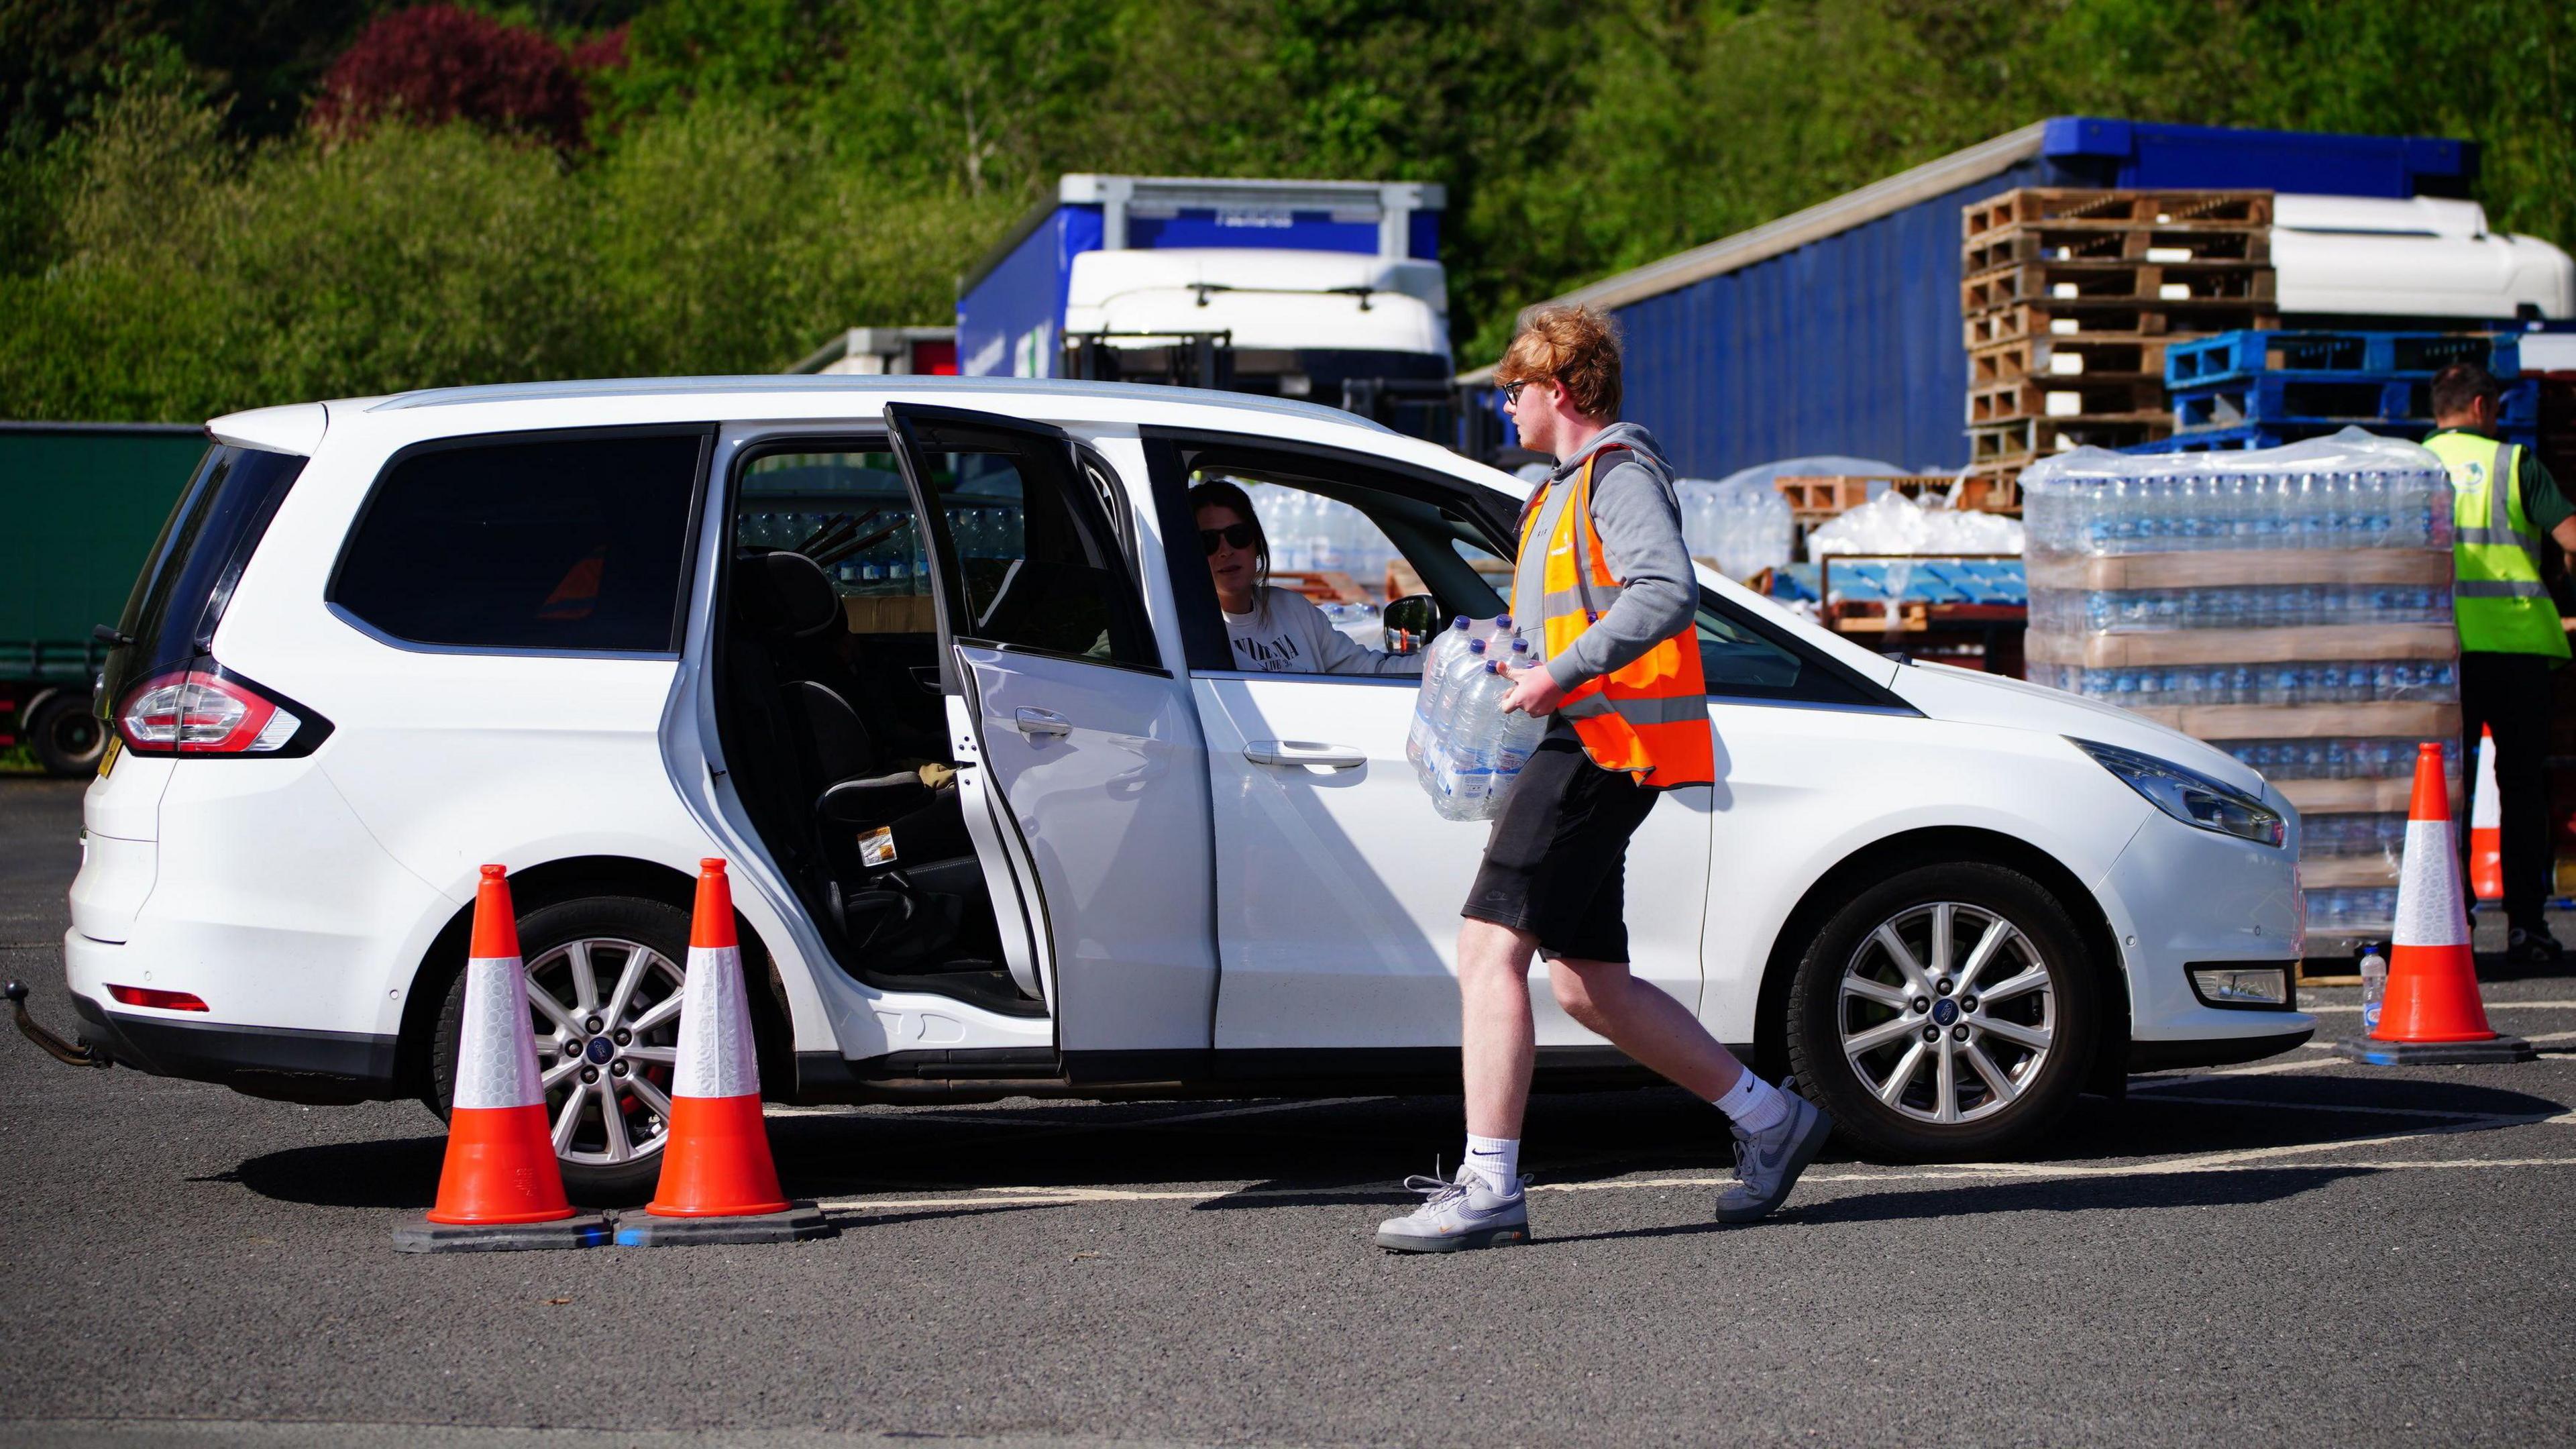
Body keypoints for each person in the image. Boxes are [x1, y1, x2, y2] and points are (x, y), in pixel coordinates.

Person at [1373, 306, 1830, 1253]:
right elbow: (1576, 613)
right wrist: (1519, 662)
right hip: (1591, 741)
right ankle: (1772, 1120)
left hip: (1599, 746)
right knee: (1587, 983)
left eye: (1514, 388)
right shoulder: (1559, 489)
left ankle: (1490, 1184)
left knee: (1485, 947)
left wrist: (1555, 675)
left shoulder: (1617, 474)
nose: (1504, 405)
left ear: (1563, 389)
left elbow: (1667, 592)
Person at [2425, 362, 2576, 965]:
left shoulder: (2416, 467)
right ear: (2484, 406)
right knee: (2521, 793)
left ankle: (2450, 921)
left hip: (2443, 659)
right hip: (2516, 652)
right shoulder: (2514, 465)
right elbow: (2571, 536)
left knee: (2446, 797)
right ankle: (2526, 926)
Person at [1190, 478, 1419, 676]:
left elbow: (1375, 672)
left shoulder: (1295, 610)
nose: (1225, 551)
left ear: (1257, 544)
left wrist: (1441, 656)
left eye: (1237, 535)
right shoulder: (1184, 632)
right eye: (1208, 541)